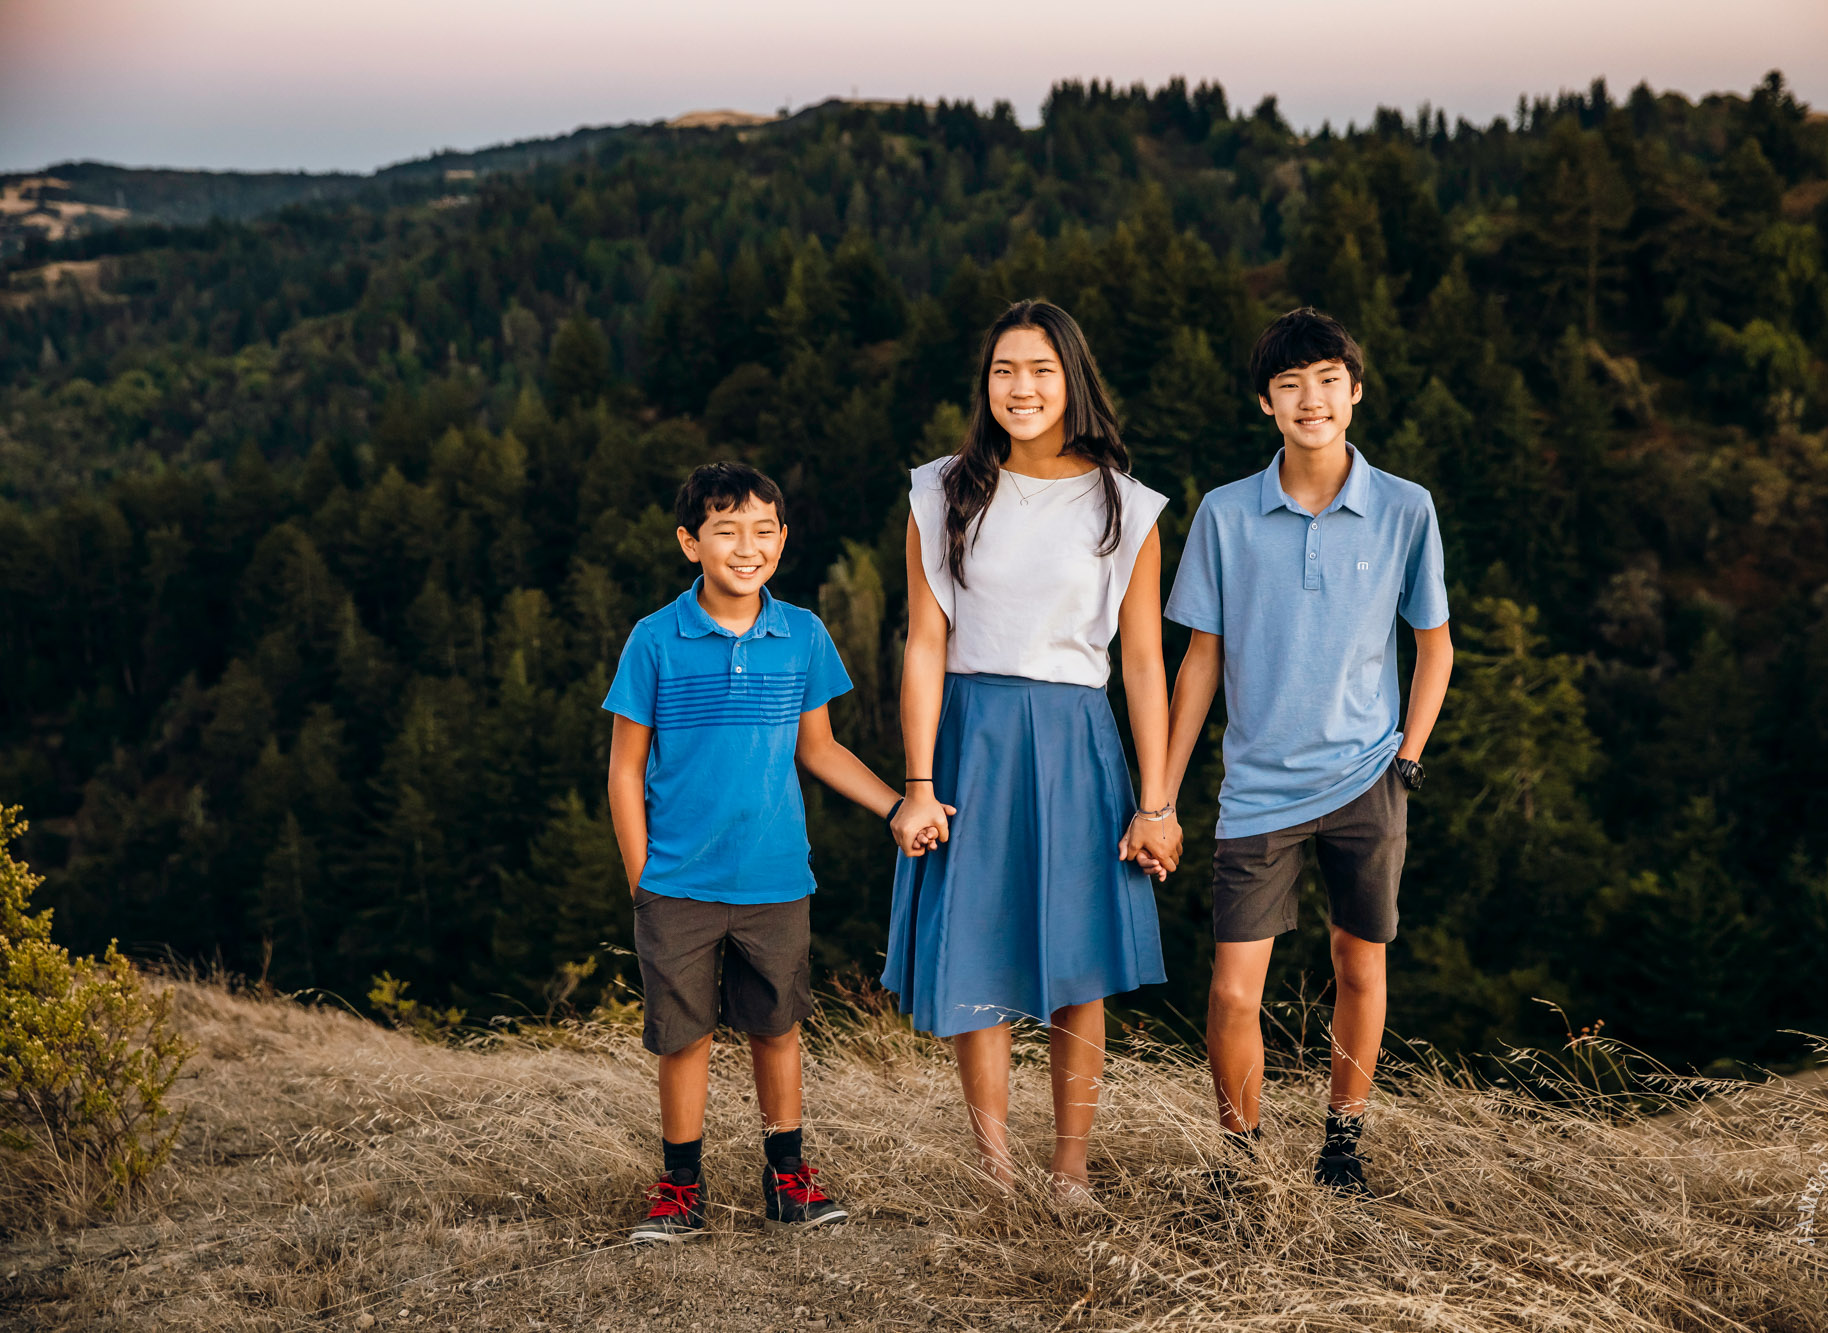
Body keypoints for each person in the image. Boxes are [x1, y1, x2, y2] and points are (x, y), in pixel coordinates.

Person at [885, 299, 1182, 1194]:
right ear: (987, 384)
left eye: (1042, 370)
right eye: (1005, 370)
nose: (1022, 387)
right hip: (969, 736)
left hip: (1075, 736)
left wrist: (1156, 801)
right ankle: (995, 1170)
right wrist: (919, 780)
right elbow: (925, 642)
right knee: (976, 950)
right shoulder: (940, 489)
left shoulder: (1126, 506)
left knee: (1075, 958)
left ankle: (1071, 1169)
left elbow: (1141, 663)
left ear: (1072, 380)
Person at [1158, 307, 1453, 1197]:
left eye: (1328, 381)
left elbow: (1434, 642)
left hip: (1368, 778)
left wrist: (1408, 755)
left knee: (1360, 965)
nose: (1311, 399)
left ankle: (1343, 1142)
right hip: (1255, 789)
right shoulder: (1225, 514)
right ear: (1266, 403)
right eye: (1291, 385)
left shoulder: (1406, 507)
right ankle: (1242, 1160)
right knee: (1233, 992)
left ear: (1355, 392)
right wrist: (1163, 794)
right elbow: (1200, 657)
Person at [604, 461, 939, 1242]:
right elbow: (624, 768)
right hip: (678, 881)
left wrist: (897, 802)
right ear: (691, 542)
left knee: (777, 1026)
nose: (745, 547)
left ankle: (787, 1179)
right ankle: (680, 1187)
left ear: (783, 540)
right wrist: (642, 875)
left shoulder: (803, 636)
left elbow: (818, 749)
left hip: (778, 878)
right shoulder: (655, 640)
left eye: (762, 531)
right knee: (684, 1035)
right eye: (725, 531)